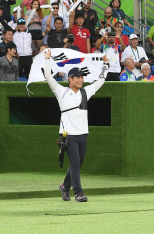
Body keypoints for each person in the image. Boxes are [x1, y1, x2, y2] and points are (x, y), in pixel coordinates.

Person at [43, 49, 108, 202]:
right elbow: (47, 76)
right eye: (78, 77)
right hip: (68, 134)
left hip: (83, 133)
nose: (81, 80)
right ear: (70, 78)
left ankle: (65, 187)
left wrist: (105, 64)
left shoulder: (86, 92)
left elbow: (101, 80)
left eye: (82, 77)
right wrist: (47, 58)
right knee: (75, 163)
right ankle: (78, 193)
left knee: (77, 164)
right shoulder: (61, 91)